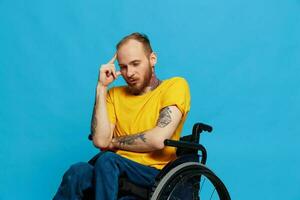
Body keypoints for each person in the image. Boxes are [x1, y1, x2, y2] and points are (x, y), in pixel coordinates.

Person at [53, 32, 191, 200]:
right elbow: (100, 141)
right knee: (78, 171)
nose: (129, 73)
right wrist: (101, 87)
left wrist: (114, 143)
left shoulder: (175, 86)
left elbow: (157, 139)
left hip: (153, 174)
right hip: (111, 173)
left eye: (135, 64)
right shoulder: (114, 95)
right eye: (123, 67)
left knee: (107, 160)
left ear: (152, 59)